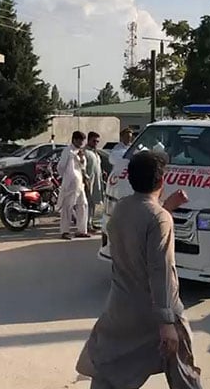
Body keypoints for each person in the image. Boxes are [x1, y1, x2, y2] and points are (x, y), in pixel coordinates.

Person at [76, 151, 202, 389]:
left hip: (121, 307)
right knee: (182, 368)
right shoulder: (159, 218)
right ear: (162, 181)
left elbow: (138, 238)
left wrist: (166, 208)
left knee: (111, 370)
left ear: (130, 179)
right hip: (157, 310)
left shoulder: (122, 208)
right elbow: (160, 270)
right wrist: (166, 322)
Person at [57, 131, 90, 240]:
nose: (81, 142)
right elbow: (60, 167)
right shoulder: (68, 151)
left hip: (80, 183)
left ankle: (81, 230)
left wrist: (81, 158)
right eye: (79, 140)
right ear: (74, 139)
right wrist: (68, 177)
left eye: (83, 140)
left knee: (83, 205)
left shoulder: (80, 151)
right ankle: (65, 231)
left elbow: (83, 166)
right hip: (70, 183)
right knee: (67, 207)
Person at [85, 131, 104, 233]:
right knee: (87, 204)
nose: (96, 143)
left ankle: (90, 222)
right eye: (94, 141)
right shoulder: (85, 152)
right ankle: (86, 225)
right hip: (88, 183)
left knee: (92, 204)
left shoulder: (95, 152)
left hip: (96, 182)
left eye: (97, 141)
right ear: (89, 140)